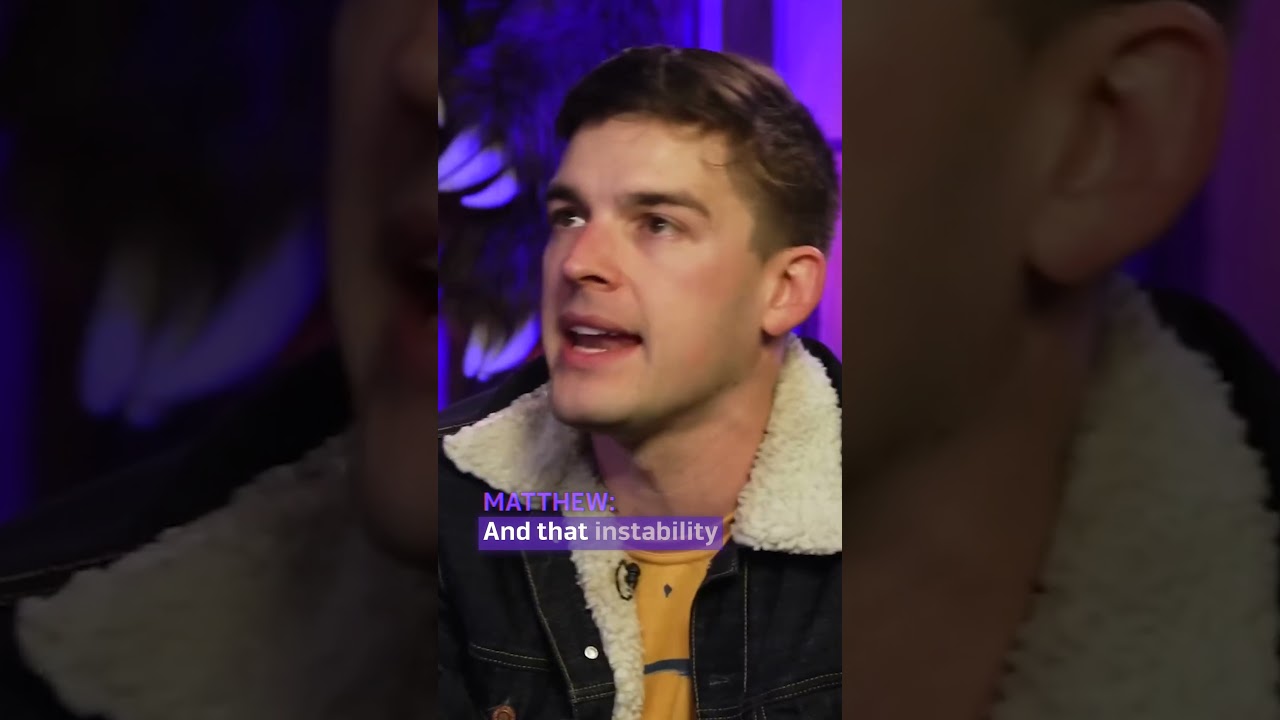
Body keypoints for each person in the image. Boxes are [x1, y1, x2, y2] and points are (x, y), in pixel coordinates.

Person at [437, 46, 843, 719]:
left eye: (657, 224)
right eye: (569, 217)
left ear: (784, 290)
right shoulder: (445, 503)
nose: (579, 263)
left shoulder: (908, 518)